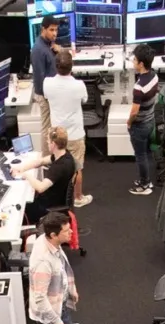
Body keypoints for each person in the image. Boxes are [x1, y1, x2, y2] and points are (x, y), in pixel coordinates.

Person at [43, 51, 91, 207]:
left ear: (56, 67)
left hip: (57, 135)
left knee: (57, 166)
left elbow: (46, 97)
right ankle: (77, 198)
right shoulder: (79, 85)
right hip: (75, 134)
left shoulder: (47, 83)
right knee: (77, 168)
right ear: (72, 66)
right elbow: (84, 100)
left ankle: (58, 197)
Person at [27, 210, 77, 324]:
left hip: (59, 305)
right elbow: (40, 298)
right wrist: (57, 323)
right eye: (66, 231)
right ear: (54, 235)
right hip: (51, 315)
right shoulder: (43, 262)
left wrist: (72, 289)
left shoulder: (47, 240)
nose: (71, 232)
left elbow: (62, 267)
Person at [20, 127, 77, 223]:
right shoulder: (65, 155)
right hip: (54, 198)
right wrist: (21, 168)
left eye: (48, 141)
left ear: (53, 144)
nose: (47, 143)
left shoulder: (59, 167)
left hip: (47, 205)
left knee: (20, 208)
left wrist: (26, 175)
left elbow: (41, 187)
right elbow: (41, 161)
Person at [127, 44, 160, 196]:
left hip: (139, 126)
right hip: (150, 121)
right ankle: (145, 179)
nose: (133, 62)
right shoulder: (154, 76)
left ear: (141, 64)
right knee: (145, 154)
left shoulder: (139, 87)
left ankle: (145, 184)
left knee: (140, 156)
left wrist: (129, 122)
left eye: (134, 60)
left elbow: (134, 111)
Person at [30, 20, 59, 143]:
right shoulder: (38, 50)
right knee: (47, 129)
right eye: (51, 30)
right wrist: (49, 97)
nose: (55, 33)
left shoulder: (47, 44)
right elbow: (39, 77)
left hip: (49, 93)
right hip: (45, 95)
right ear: (43, 29)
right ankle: (46, 159)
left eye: (56, 30)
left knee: (52, 129)